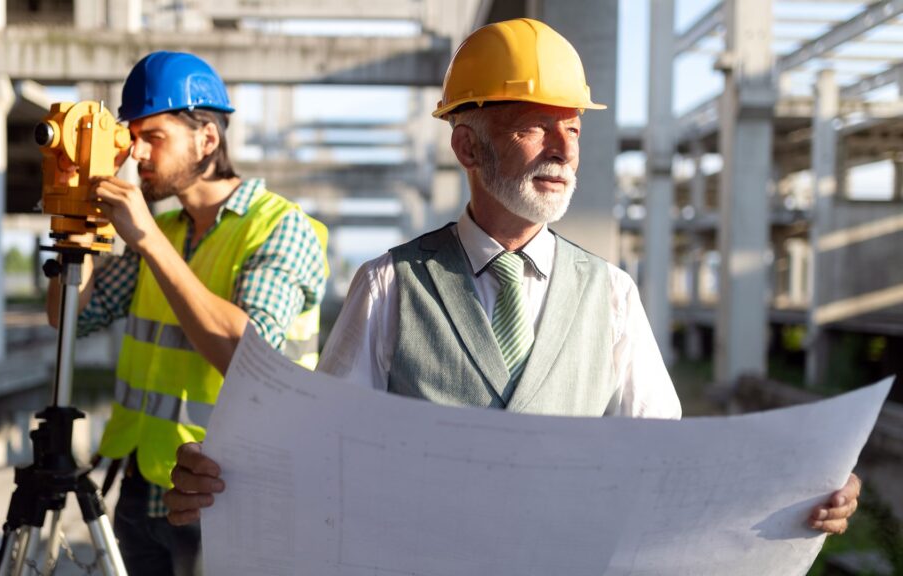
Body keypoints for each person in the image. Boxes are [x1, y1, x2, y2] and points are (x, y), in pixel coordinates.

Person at [162, 19, 860, 536]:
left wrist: (800, 493)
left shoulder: (610, 294)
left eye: (575, 130)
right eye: (535, 127)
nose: (563, 149)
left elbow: (666, 463)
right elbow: (326, 456)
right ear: (468, 144)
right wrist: (227, 485)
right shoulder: (391, 285)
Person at [45, 51, 328, 575]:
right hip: (141, 486)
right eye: (134, 138)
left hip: (227, 489)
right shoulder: (169, 232)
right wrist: (77, 227)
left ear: (207, 140)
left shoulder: (280, 228)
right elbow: (70, 318)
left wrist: (147, 238)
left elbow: (250, 357)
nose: (140, 155)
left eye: (155, 136)